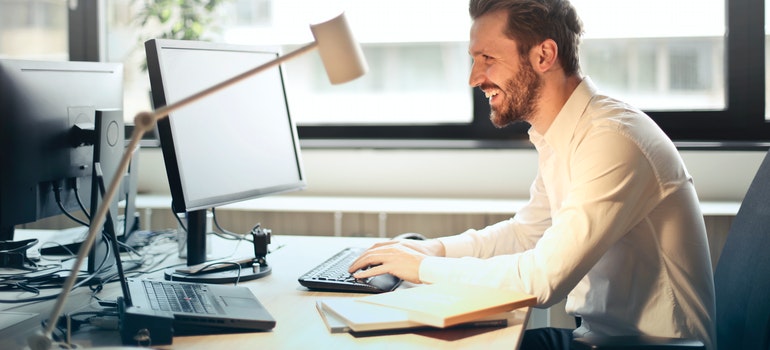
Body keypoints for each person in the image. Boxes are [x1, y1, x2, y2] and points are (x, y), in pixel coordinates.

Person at [348, 0, 717, 349]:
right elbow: (527, 233)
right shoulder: (564, 133)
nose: (474, 77)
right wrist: (433, 249)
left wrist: (423, 267)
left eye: (487, 59)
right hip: (597, 338)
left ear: (544, 55)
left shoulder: (613, 140)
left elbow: (542, 280)